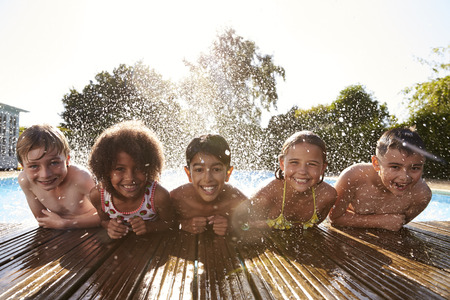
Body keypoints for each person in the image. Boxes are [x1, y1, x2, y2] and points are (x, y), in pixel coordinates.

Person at [329, 127, 432, 231]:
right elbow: (334, 218)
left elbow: (396, 224)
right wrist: (379, 221)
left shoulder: (421, 195)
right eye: (395, 167)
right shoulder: (354, 176)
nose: (404, 177)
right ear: (376, 164)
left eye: (415, 168)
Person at [88, 120, 176, 239]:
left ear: (149, 167)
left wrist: (149, 227)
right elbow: (103, 221)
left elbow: (170, 223)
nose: (130, 178)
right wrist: (110, 226)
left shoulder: (158, 196)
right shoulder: (99, 195)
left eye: (139, 168)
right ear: (105, 170)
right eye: (120, 169)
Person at [240, 131, 337, 230]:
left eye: (312, 164)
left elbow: (313, 227)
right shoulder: (267, 195)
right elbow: (243, 227)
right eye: (294, 162)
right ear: (282, 164)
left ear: (323, 168)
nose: (302, 171)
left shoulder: (328, 195)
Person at [16, 124, 100, 229]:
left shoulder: (80, 177)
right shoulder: (25, 181)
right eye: (33, 166)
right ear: (23, 166)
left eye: (54, 163)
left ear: (67, 159)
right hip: (63, 232)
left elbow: (108, 214)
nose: (45, 174)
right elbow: (42, 220)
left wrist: (65, 224)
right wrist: (62, 224)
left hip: (96, 230)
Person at [170, 134, 247, 236]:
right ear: (188, 174)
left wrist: (232, 226)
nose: (207, 179)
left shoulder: (236, 201)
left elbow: (254, 225)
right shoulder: (178, 199)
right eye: (199, 170)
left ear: (228, 173)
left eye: (216, 169)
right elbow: (164, 224)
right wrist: (183, 224)